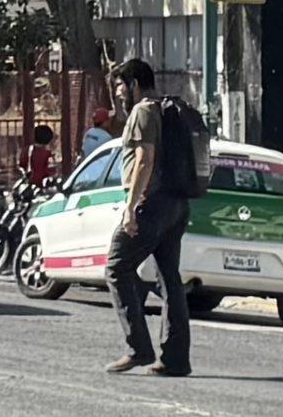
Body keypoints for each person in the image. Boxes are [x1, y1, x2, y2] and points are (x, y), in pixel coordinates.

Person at [104, 57, 188, 378]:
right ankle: (175, 359)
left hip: (150, 203)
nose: (119, 94)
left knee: (116, 267)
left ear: (135, 84)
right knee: (170, 280)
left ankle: (138, 348)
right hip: (176, 204)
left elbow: (144, 159)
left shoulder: (143, 111)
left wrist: (130, 205)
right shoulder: (167, 110)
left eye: (121, 86)